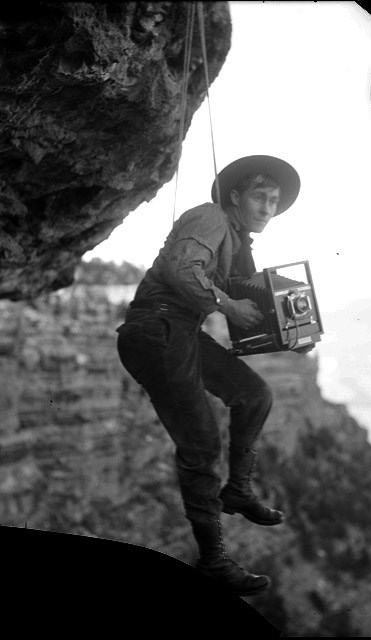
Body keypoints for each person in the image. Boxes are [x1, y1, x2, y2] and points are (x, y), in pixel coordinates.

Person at [116, 155, 306, 596]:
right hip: (156, 328)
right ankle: (213, 561)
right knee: (201, 446)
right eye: (259, 196)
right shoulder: (210, 217)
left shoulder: (239, 246)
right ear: (236, 196)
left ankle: (237, 490)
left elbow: (247, 312)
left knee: (254, 394)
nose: (266, 208)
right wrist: (228, 306)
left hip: (180, 331)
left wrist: (290, 338)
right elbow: (183, 270)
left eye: (274, 201)